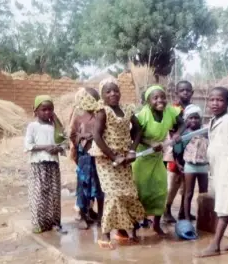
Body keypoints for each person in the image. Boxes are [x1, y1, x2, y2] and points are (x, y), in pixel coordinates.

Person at [90, 77, 146, 249]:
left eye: (116, 90)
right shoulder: (102, 111)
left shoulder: (127, 109)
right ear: (102, 95)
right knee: (113, 194)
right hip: (106, 158)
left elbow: (138, 130)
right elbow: (97, 136)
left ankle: (130, 233)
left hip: (125, 157)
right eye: (108, 91)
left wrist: (132, 150)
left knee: (128, 192)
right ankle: (105, 236)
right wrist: (114, 157)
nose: (113, 94)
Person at [196, 86, 228, 258]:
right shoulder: (212, 120)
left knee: (225, 207)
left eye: (220, 100)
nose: (215, 103)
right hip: (218, 169)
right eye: (212, 100)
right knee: (227, 204)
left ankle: (215, 245)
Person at [133, 85, 183, 235]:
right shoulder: (143, 115)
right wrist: (150, 143)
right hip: (142, 157)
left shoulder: (170, 111)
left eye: (162, 97)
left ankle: (156, 224)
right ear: (148, 101)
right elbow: (134, 136)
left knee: (160, 190)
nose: (160, 100)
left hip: (157, 157)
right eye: (155, 98)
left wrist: (176, 134)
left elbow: (183, 123)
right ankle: (135, 224)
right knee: (140, 192)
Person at [25, 95, 67, 234]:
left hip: (53, 164)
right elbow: (28, 145)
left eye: (50, 110)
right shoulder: (33, 126)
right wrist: (45, 147)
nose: (47, 112)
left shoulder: (55, 127)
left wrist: (58, 148)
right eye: (44, 109)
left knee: (54, 194)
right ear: (35, 110)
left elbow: (64, 142)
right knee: (39, 194)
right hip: (38, 165)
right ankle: (38, 223)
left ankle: (54, 222)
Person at [69, 87, 104, 229]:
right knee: (83, 188)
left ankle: (101, 216)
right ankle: (83, 215)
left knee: (100, 187)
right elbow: (72, 135)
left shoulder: (101, 117)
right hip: (84, 158)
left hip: (99, 157)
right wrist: (81, 136)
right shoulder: (78, 118)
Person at [164, 80, 195, 223]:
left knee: (187, 183)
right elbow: (171, 131)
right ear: (177, 93)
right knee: (174, 182)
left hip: (189, 150)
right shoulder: (173, 109)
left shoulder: (194, 109)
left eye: (188, 90)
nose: (185, 93)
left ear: (192, 92)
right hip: (175, 150)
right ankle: (166, 210)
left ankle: (184, 211)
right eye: (182, 90)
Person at [173, 104, 209, 221]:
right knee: (188, 193)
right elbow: (177, 150)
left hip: (203, 166)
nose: (194, 120)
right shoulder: (185, 134)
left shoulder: (205, 131)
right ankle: (187, 218)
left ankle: (203, 218)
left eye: (196, 118)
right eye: (191, 118)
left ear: (201, 119)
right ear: (186, 120)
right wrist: (178, 164)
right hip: (190, 167)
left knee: (204, 194)